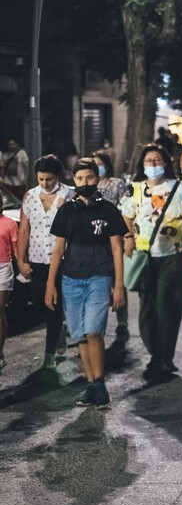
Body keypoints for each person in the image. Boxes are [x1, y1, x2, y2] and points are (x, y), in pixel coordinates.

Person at [46, 159, 127, 408]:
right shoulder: (66, 211)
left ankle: (100, 384)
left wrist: (118, 285)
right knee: (80, 334)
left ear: (97, 178)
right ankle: (92, 385)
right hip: (71, 280)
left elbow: (117, 248)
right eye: (80, 178)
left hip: (99, 277)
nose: (85, 182)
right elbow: (58, 250)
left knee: (93, 331)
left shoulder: (108, 210)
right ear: (74, 180)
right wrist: (50, 284)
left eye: (89, 177)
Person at [121, 144, 182, 378]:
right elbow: (125, 216)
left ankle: (163, 358)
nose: (153, 164)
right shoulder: (134, 189)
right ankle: (156, 352)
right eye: (148, 161)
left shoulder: (180, 188)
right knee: (147, 311)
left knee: (167, 308)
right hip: (144, 258)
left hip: (174, 256)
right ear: (142, 164)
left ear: (165, 163)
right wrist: (128, 238)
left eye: (157, 160)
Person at [16, 155, 72, 369]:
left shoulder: (69, 194)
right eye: (41, 179)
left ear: (58, 176)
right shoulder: (29, 196)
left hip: (62, 259)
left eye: (49, 179)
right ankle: (60, 330)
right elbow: (24, 230)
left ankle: (50, 355)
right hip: (37, 259)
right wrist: (21, 260)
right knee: (39, 302)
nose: (45, 183)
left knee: (54, 305)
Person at [93, 151, 130, 339]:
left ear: (106, 166)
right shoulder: (89, 185)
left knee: (118, 280)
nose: (97, 167)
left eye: (99, 163)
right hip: (95, 240)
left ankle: (122, 322)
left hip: (114, 237)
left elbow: (126, 209)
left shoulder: (117, 184)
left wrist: (127, 236)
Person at [0, 189, 17, 370]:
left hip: (3, 268)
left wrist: (24, 266)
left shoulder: (10, 223)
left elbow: (16, 250)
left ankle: (0, 353)